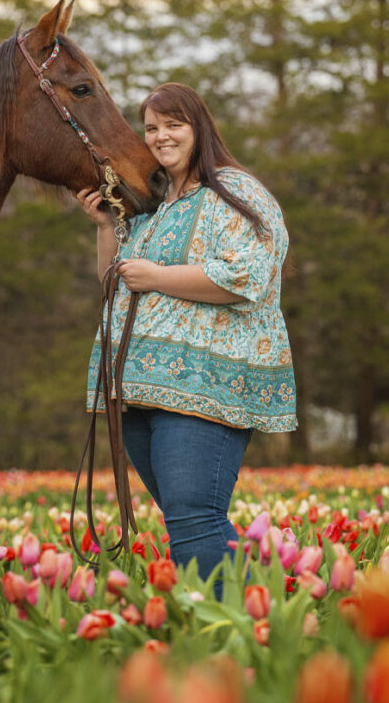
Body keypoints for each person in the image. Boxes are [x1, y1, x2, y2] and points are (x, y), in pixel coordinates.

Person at [75, 83, 296, 585]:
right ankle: (259, 608)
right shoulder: (155, 208)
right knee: (191, 522)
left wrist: (157, 277)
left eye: (173, 125)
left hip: (203, 385)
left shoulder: (237, 192)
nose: (159, 137)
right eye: (151, 127)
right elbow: (116, 284)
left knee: (195, 519)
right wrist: (108, 227)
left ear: (200, 128)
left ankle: (222, 635)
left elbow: (247, 277)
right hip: (136, 389)